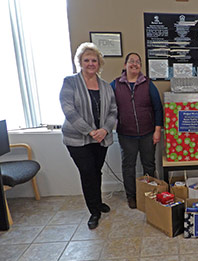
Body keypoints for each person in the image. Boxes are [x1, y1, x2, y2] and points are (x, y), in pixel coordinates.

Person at [60, 42, 117, 229]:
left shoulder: (106, 86)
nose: (91, 63)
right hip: (78, 139)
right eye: (87, 60)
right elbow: (69, 110)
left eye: (94, 60)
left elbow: (113, 111)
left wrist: (105, 130)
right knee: (87, 172)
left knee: (96, 171)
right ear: (80, 62)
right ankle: (94, 211)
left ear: (99, 63)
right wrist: (90, 131)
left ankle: (98, 201)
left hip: (101, 138)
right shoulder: (70, 82)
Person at [110, 52, 163, 209]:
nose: (134, 64)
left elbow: (158, 108)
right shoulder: (115, 85)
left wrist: (157, 130)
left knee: (149, 165)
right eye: (131, 61)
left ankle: (150, 194)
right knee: (128, 167)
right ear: (125, 65)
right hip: (126, 134)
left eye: (138, 62)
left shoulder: (147, 84)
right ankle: (131, 197)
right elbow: (108, 108)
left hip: (148, 133)